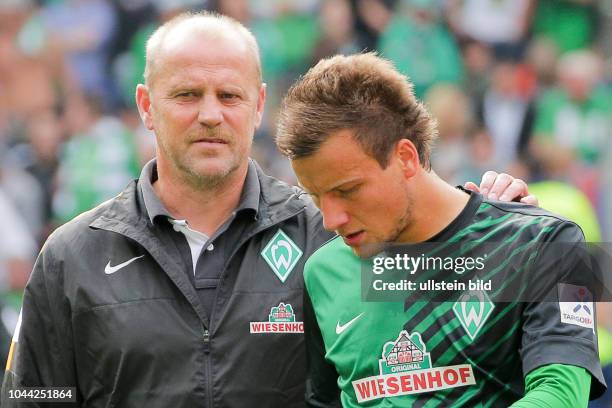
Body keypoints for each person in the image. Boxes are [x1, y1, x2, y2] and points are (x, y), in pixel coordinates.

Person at [2, 12, 535, 407]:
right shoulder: (72, 256)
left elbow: (451, 275)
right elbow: (36, 397)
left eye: (229, 96)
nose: (210, 114)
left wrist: (497, 219)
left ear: (259, 105)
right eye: (187, 94)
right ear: (146, 105)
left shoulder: (331, 235)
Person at [275, 53, 606, 406]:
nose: (331, 219)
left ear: (405, 157)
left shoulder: (546, 242)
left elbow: (561, 393)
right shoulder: (321, 271)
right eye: (316, 196)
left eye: (346, 190)